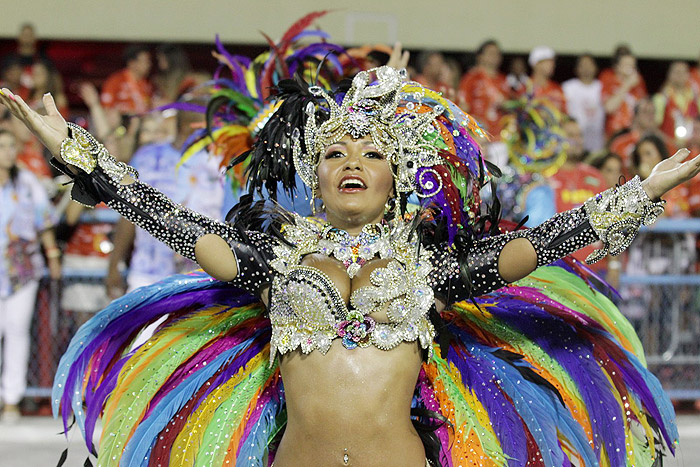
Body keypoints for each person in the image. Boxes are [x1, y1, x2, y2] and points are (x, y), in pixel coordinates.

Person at [1, 62, 693, 465]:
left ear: (397, 177)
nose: (352, 163)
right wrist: (76, 151)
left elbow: (536, 246)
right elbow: (172, 222)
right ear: (315, 172)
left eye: (370, 154)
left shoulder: (432, 268)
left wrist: (640, 191)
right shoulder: (273, 262)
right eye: (335, 153)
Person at [0, 128, 59, 423]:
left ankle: (11, 398)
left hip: (22, 270)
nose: (8, 152)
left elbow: (44, 221)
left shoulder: (26, 182)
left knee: (17, 330)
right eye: (2, 146)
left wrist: (53, 255)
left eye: (11, 146)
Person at [458, 39, 509, 138]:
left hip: (500, 135)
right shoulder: (471, 78)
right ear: (480, 56)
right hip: (478, 134)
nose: (495, 57)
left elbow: (509, 107)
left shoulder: (503, 80)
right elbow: (462, 106)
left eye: (497, 54)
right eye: (491, 53)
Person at [600, 48, 648, 139]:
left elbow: (643, 109)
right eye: (626, 65)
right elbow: (609, 107)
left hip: (635, 134)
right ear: (617, 67)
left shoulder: (638, 83)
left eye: (632, 66)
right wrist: (627, 84)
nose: (630, 69)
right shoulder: (609, 78)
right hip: (614, 134)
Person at [562, 54, 605, 151]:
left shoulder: (601, 87)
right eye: (583, 65)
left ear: (596, 67)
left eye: (589, 65)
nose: (586, 68)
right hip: (574, 143)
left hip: (597, 143)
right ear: (577, 69)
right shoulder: (568, 87)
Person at [653, 61, 699, 145]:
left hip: (693, 148)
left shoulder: (696, 99)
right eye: (677, 72)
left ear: (688, 75)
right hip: (669, 148)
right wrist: (670, 142)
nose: (680, 75)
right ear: (669, 75)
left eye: (683, 72)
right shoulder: (661, 99)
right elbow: (654, 127)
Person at [100, 44, 153, 116]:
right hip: (121, 123)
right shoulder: (115, 81)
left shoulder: (147, 84)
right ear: (132, 63)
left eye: (149, 61)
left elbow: (149, 107)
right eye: (145, 61)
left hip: (142, 122)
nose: (149, 65)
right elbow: (105, 109)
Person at [524, 46, 567, 113]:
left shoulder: (557, 88)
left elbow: (565, 114)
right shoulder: (524, 87)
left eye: (552, 62)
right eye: (547, 62)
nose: (552, 65)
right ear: (536, 64)